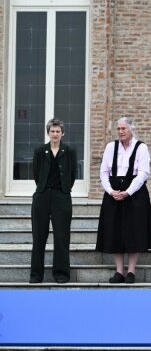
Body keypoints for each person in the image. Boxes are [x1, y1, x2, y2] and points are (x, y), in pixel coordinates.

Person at [96, 117, 151, 284]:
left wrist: (128, 192)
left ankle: (131, 271)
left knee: (133, 231)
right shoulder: (110, 147)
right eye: (119, 129)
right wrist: (110, 191)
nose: (121, 131)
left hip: (134, 193)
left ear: (131, 129)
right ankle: (119, 271)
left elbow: (143, 173)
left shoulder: (141, 147)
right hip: (113, 192)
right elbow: (103, 172)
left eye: (124, 128)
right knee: (115, 231)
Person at [30, 118, 77, 284]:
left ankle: (61, 274)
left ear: (62, 133)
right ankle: (36, 276)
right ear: (48, 133)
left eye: (58, 131)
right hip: (42, 197)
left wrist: (63, 190)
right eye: (52, 131)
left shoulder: (70, 151)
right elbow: (36, 174)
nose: (55, 134)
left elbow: (72, 175)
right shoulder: (39, 151)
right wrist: (44, 189)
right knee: (39, 237)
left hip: (61, 197)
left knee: (62, 237)